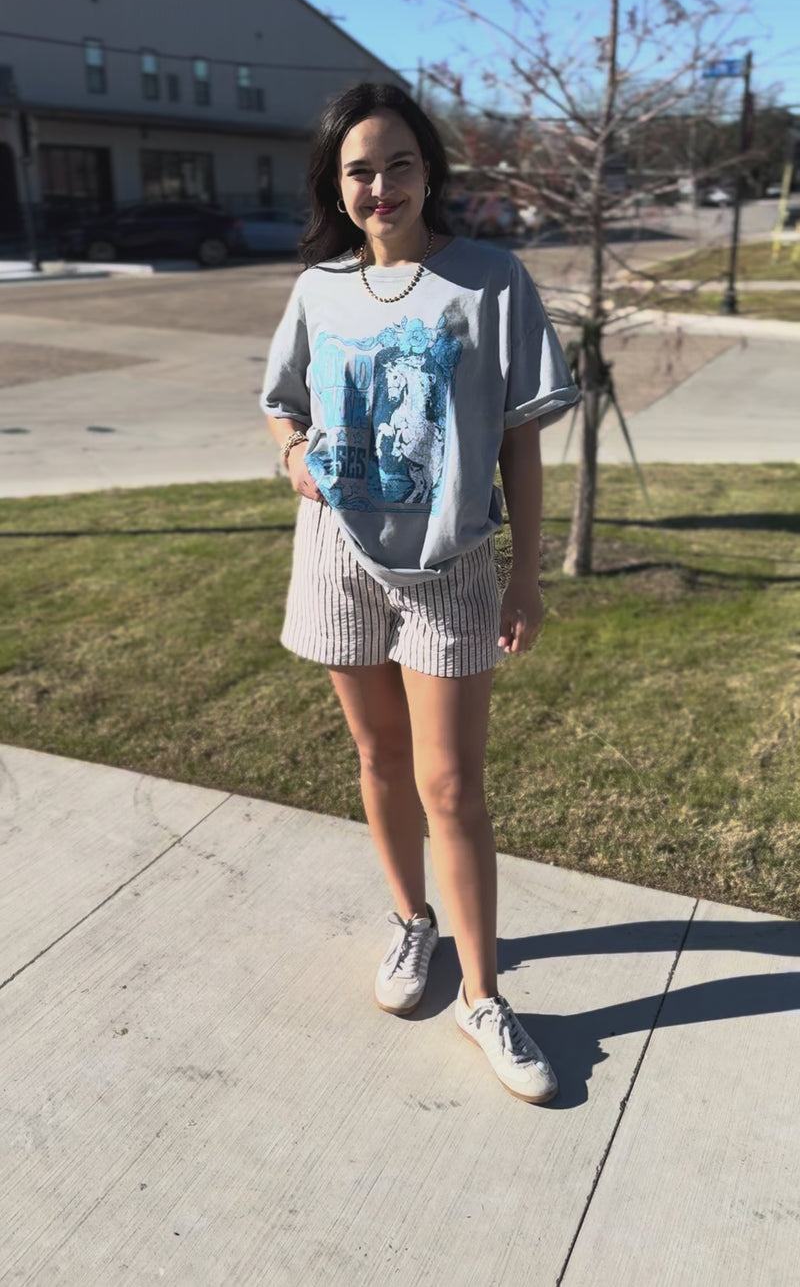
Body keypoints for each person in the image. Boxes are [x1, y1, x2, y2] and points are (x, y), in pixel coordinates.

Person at [262, 82, 579, 1104]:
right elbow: (279, 408)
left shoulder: (487, 281)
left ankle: (480, 996)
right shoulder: (317, 288)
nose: (381, 185)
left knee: (453, 787)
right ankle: (412, 923)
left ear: (429, 169)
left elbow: (521, 446)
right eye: (359, 169)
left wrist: (524, 571)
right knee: (376, 756)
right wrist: (294, 455)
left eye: (399, 163)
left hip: (448, 570)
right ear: (336, 185)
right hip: (337, 558)